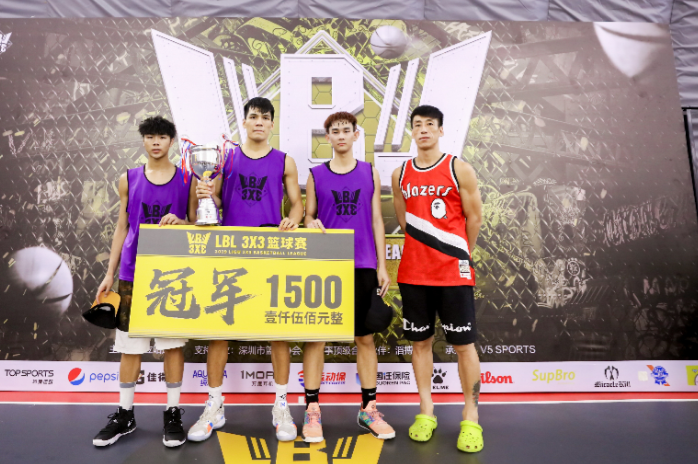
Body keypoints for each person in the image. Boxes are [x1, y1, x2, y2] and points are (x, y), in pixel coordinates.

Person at [188, 97, 304, 442]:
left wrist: (292, 220)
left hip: (269, 251)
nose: (259, 122)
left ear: (272, 124)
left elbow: (297, 204)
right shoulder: (227, 158)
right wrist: (206, 194)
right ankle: (214, 405)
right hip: (230, 250)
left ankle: (281, 406)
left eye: (265, 118)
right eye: (253, 116)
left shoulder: (284, 160)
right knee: (218, 331)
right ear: (245, 121)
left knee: (278, 331)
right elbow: (218, 202)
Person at [92, 116, 196, 448]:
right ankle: (125, 415)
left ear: (171, 142)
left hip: (172, 273)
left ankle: (173, 413)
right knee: (129, 347)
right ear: (143, 141)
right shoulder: (128, 178)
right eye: (150, 137)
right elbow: (121, 227)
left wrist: (181, 222)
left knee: (172, 345)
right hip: (132, 273)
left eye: (162, 137)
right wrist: (110, 272)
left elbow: (198, 224)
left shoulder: (188, 179)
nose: (156, 142)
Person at [391, 105, 485, 453]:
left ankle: (471, 416)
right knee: (420, 344)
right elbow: (405, 222)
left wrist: (458, 253)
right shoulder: (400, 174)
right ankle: (426, 411)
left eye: (430, 124)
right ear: (412, 131)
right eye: (417, 125)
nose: (423, 130)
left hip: (452, 275)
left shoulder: (459, 168)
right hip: (414, 274)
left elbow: (474, 218)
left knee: (464, 346)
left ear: (441, 130)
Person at [301, 111, 396, 443]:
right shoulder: (315, 175)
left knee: (364, 338)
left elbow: (377, 220)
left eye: (346, 130)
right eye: (334, 131)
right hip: (326, 265)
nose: (340, 135)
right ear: (327, 137)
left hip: (363, 264)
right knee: (316, 339)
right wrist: (310, 222)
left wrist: (382, 266)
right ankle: (312, 410)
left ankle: (368, 409)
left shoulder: (370, 172)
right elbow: (309, 216)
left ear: (356, 135)